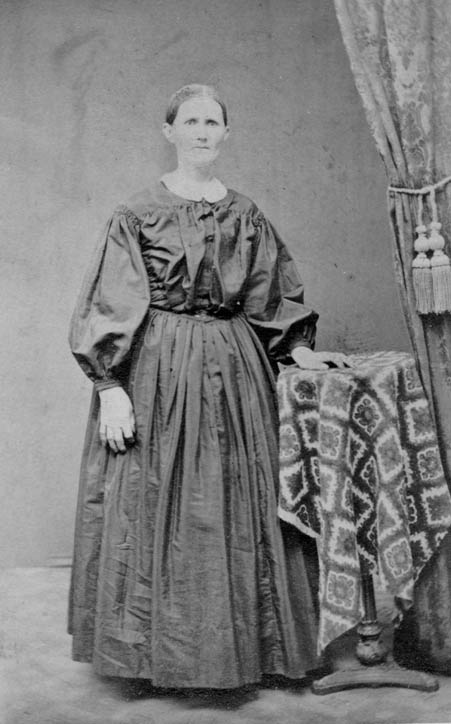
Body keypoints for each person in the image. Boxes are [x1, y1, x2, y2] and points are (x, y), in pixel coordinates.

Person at [68, 84, 350, 689]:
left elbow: (269, 294)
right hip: (159, 370)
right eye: (190, 121)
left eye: (211, 122)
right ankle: (159, 657)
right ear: (169, 131)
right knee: (161, 501)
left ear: (226, 133)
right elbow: (110, 300)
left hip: (236, 367)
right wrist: (110, 385)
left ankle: (249, 651)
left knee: (239, 500)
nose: (201, 132)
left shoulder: (245, 212)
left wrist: (298, 348)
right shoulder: (137, 212)